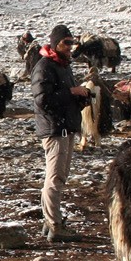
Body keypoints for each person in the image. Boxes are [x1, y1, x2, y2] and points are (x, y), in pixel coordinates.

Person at [31, 24, 89, 243]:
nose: (70, 47)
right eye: (66, 42)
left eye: (72, 42)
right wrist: (71, 92)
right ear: (56, 43)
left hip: (65, 126)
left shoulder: (62, 66)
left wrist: (80, 98)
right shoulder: (44, 67)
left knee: (59, 177)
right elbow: (42, 100)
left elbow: (58, 97)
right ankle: (54, 224)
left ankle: (52, 221)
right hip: (55, 129)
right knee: (54, 178)